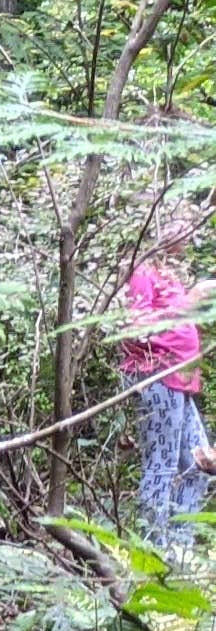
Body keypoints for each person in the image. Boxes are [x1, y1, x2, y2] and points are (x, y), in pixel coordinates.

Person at [127, 229, 216, 542]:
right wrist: (189, 303)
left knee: (202, 465)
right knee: (161, 467)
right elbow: (134, 329)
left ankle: (180, 550)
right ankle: (151, 552)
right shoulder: (140, 270)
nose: (191, 234)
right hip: (156, 377)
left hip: (179, 382)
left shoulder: (167, 273)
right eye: (185, 225)